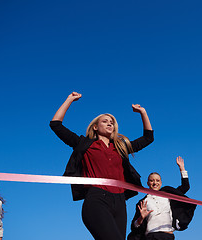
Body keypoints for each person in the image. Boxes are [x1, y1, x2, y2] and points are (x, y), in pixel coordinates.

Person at [49, 92, 154, 240]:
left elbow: (148, 138)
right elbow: (56, 125)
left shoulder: (121, 147)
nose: (110, 123)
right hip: (97, 199)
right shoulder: (85, 144)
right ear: (95, 127)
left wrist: (143, 112)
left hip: (120, 203)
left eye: (112, 122)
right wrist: (69, 99)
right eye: (105, 121)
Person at [127, 156, 196, 240]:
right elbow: (134, 226)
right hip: (151, 236)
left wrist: (182, 168)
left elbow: (185, 187)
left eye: (157, 180)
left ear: (161, 183)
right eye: (152, 180)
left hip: (168, 235)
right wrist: (141, 218)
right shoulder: (143, 202)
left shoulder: (168, 195)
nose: (155, 183)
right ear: (148, 183)